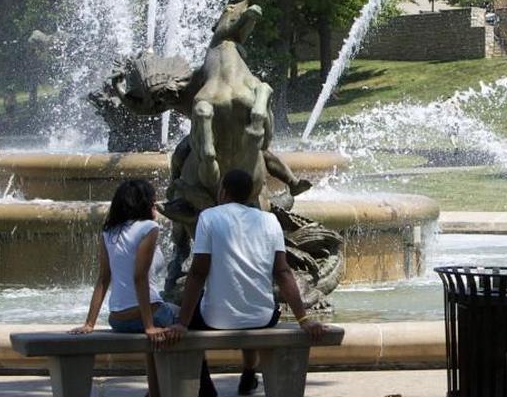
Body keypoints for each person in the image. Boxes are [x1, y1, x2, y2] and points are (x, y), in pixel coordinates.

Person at [165, 169, 327, 397]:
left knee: (183, 322)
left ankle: (207, 390)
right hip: (262, 318)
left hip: (215, 319)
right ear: (251, 194)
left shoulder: (209, 217)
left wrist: (182, 323)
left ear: (222, 191)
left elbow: (198, 273)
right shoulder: (270, 220)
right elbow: (283, 272)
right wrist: (304, 319)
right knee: (249, 299)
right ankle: (249, 373)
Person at [70, 179, 175, 397]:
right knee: (184, 318)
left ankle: (154, 392)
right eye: (152, 200)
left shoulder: (109, 232)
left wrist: (89, 323)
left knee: (158, 336)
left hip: (117, 319)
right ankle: (196, 389)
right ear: (144, 203)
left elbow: (102, 279)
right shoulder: (149, 228)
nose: (156, 203)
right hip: (149, 315)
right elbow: (139, 277)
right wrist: (149, 326)